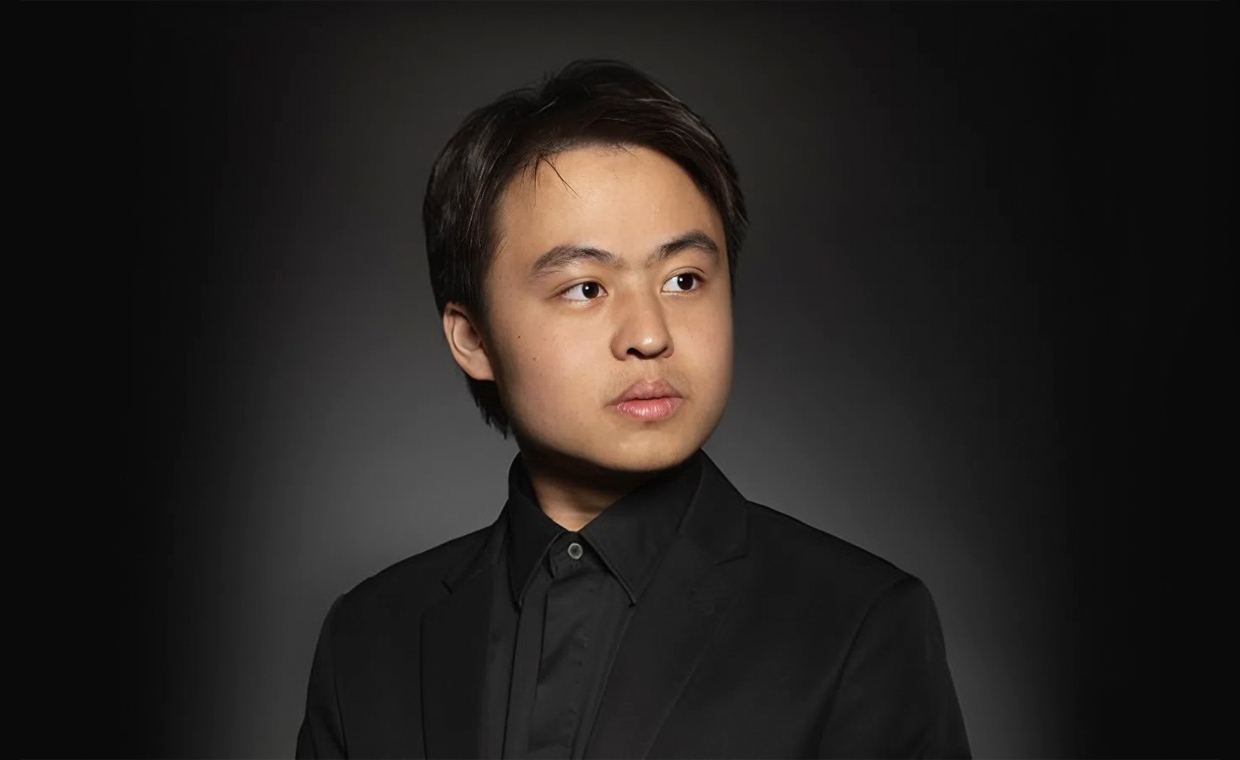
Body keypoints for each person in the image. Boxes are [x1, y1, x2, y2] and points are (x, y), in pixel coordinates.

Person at [296, 58, 971, 759]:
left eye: (684, 280)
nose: (650, 335)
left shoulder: (856, 624)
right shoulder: (367, 637)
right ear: (473, 338)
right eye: (586, 288)